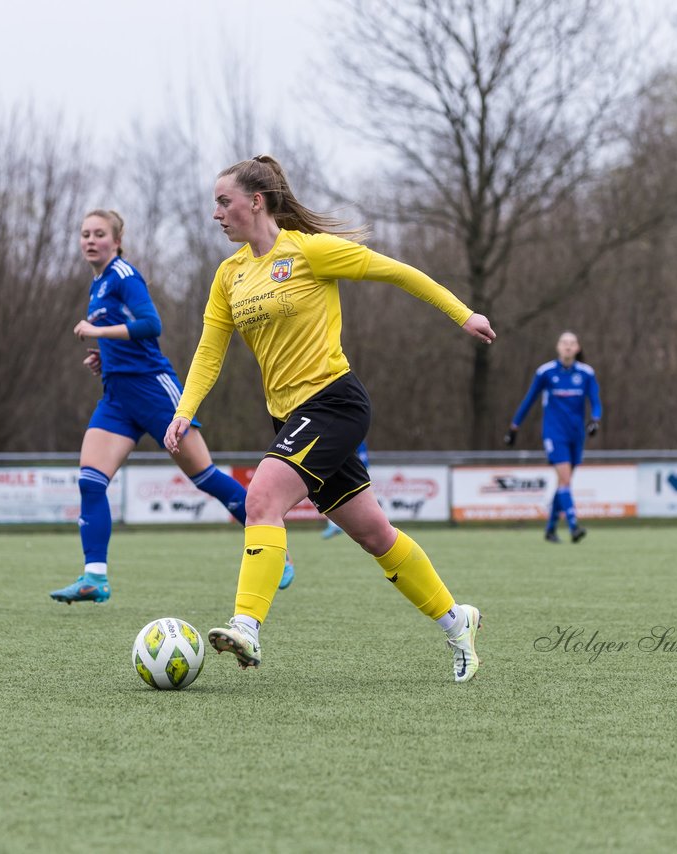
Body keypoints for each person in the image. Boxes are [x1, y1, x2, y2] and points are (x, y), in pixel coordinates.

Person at [164, 155, 495, 683]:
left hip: (334, 403)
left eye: (223, 201)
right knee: (374, 535)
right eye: (215, 204)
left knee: (261, 497)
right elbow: (209, 351)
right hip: (289, 418)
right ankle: (459, 623)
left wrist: (464, 314)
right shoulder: (229, 276)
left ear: (256, 201)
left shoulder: (308, 251)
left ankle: (246, 624)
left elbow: (398, 271)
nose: (215, 214)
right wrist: (185, 411)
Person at [49, 209, 294, 605]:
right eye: (84, 234)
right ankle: (94, 577)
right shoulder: (97, 284)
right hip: (117, 398)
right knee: (91, 481)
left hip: (153, 390)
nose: (90, 240)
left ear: (116, 240)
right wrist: (104, 356)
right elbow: (125, 335)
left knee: (206, 477)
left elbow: (151, 324)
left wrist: (97, 331)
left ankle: (278, 552)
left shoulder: (125, 276)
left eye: (99, 234)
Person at [504, 331, 602, 544]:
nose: (568, 346)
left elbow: (595, 401)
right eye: (564, 343)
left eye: (572, 343)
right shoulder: (546, 372)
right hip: (554, 434)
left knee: (563, 482)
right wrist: (514, 427)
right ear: (558, 347)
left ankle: (550, 529)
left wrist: (595, 420)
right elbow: (529, 400)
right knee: (565, 480)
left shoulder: (586, 373)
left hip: (576, 435)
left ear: (577, 348)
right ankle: (574, 525)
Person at [322, 440, 369, 538]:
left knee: (360, 501)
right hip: (339, 472)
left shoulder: (357, 438)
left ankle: (364, 525)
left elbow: (364, 460)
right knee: (333, 498)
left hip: (356, 475)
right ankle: (333, 526)